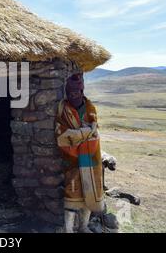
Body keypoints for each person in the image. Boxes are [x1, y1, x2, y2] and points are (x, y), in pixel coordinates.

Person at [55, 73, 104, 233]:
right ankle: (68, 230)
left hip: (90, 157)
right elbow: (62, 134)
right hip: (73, 158)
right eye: (70, 93)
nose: (73, 95)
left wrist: (80, 134)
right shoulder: (63, 109)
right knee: (73, 191)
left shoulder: (90, 108)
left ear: (82, 91)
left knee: (90, 191)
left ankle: (83, 227)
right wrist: (84, 133)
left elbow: (95, 131)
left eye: (76, 92)